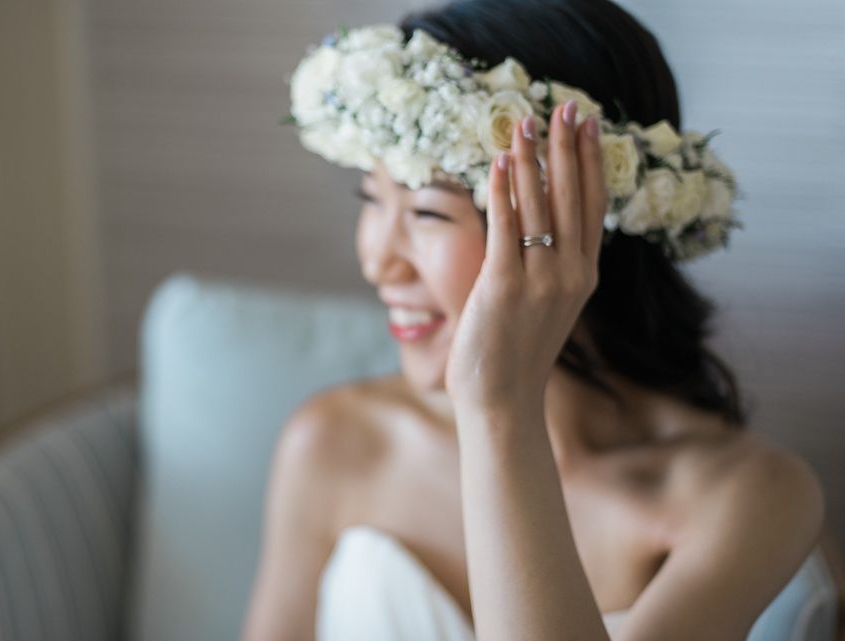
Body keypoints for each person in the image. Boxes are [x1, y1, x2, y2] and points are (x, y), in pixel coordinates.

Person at [242, 0, 843, 639]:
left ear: (577, 219)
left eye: (427, 213)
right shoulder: (332, 442)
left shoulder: (751, 496)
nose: (378, 261)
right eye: (370, 199)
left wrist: (499, 407)